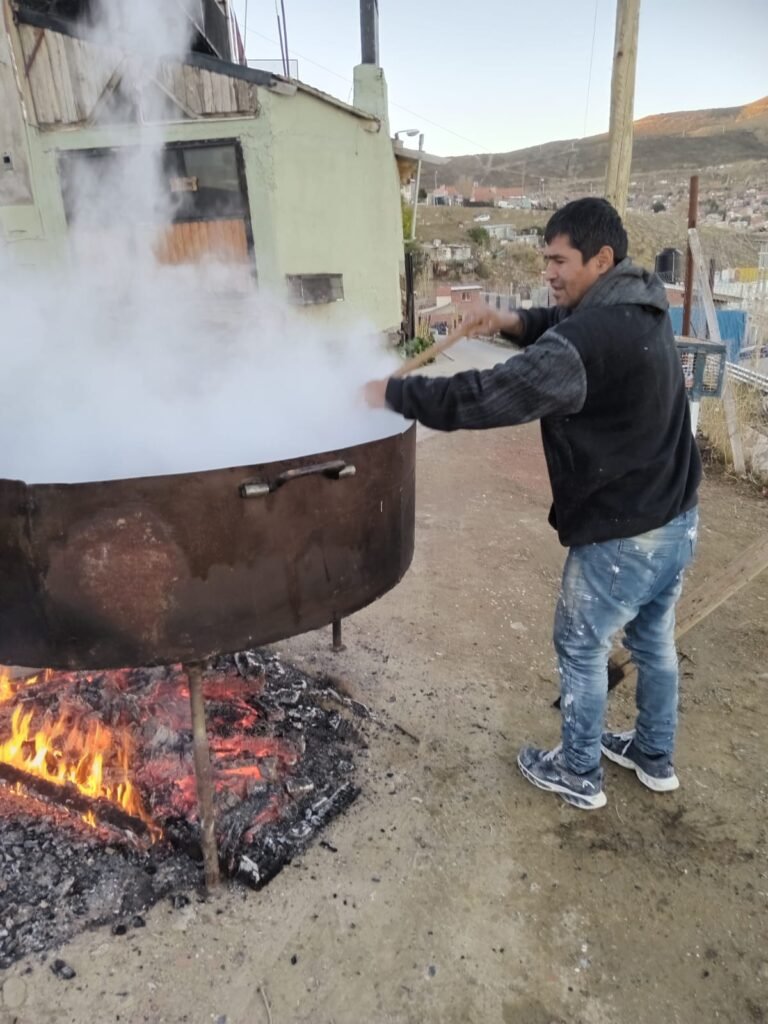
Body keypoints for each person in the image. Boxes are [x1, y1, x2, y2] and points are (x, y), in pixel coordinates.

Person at [364, 197, 701, 811]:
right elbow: (564, 328)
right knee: (653, 642)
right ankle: (654, 756)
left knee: (581, 647)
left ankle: (578, 772)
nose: (548, 272)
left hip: (624, 531)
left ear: (601, 258)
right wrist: (510, 321)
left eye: (559, 260)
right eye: (545, 258)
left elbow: (492, 394)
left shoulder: (589, 339)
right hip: (676, 518)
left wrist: (394, 393)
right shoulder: (641, 301)